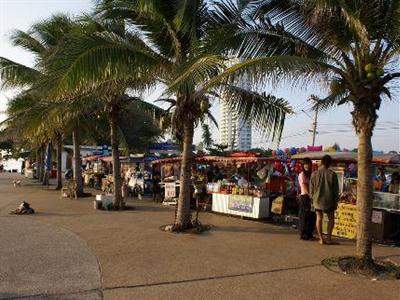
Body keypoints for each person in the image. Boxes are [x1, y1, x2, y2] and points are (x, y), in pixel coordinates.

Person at [310, 155, 339, 245]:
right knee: (331, 219)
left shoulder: (314, 174)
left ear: (322, 162)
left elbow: (311, 190)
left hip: (317, 200)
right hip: (329, 200)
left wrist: (312, 200)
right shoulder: (332, 174)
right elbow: (335, 191)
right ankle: (329, 238)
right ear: (330, 163)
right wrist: (335, 202)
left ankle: (321, 239)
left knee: (319, 218)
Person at [297, 158, 316, 240]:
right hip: (305, 197)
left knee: (312, 216)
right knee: (304, 216)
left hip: (311, 196)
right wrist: (311, 196)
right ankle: (303, 234)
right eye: (305, 164)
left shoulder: (310, 174)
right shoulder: (302, 175)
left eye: (308, 164)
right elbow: (304, 187)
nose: (307, 166)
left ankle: (309, 234)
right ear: (302, 165)